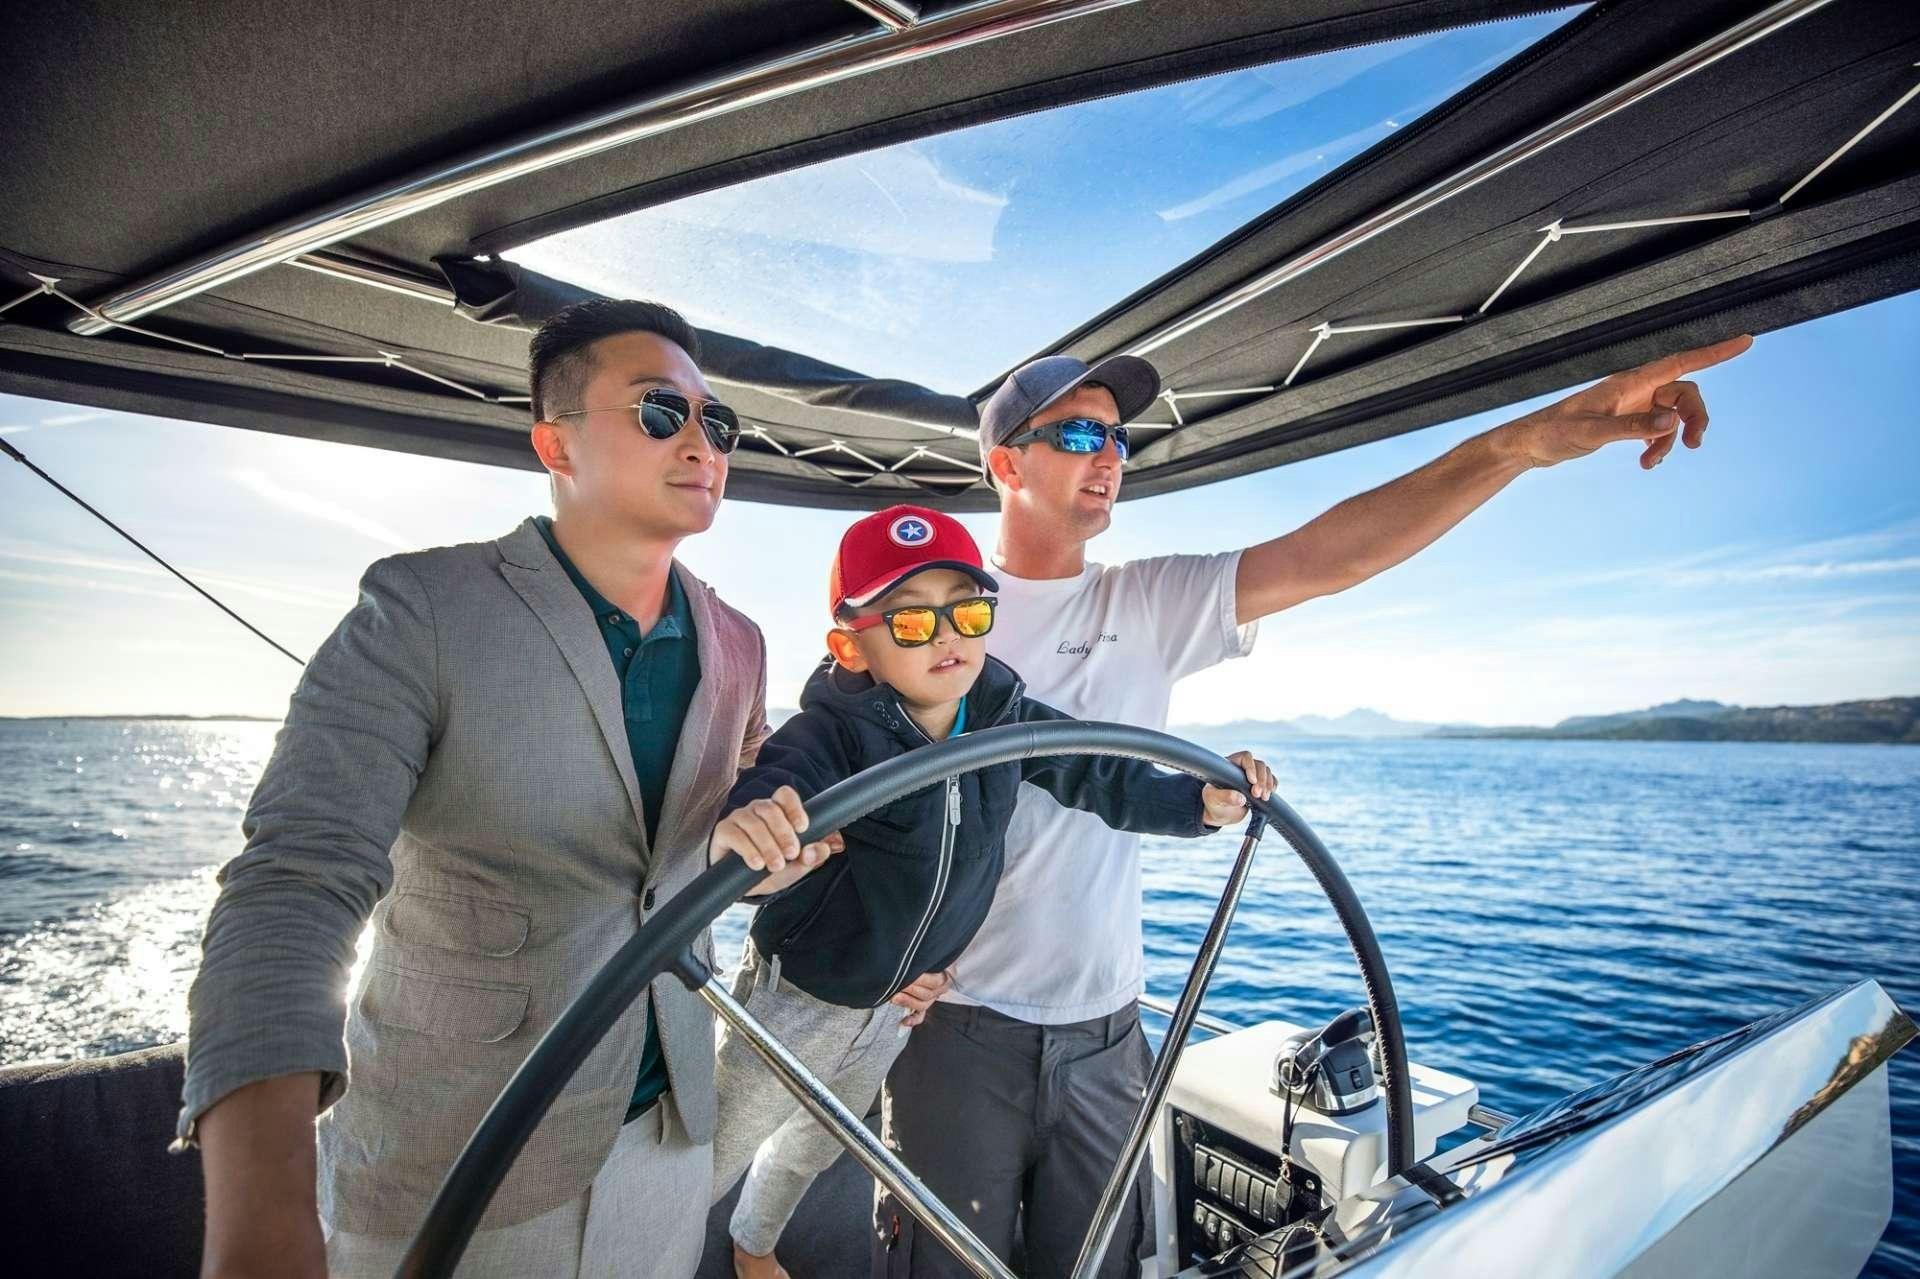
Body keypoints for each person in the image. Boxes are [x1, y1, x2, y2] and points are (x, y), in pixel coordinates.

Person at [877, 334, 1754, 1277]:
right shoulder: (929, 613)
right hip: (952, 1026)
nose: (1108, 456)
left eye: (1119, 440)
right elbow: (862, 803)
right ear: (1006, 462)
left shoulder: (1149, 599)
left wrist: (1520, 445)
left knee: (1093, 1265)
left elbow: (1330, 551)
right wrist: (879, 958)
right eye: (1080, 434)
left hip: (1108, 1035)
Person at [179, 299, 826, 1279]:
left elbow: (722, 835)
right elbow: (297, 878)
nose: (702, 442)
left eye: (716, 421)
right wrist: (263, 1221)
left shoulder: (740, 641)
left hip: (665, 1132)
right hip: (456, 1148)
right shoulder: (423, 608)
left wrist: (773, 859)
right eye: (662, 411)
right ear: (554, 445)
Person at [702, 504, 1276, 1279]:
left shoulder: (1008, 717)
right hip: (801, 991)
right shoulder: (828, 735)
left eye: (966, 612)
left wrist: (1193, 804)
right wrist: (755, 834)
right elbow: (769, 805)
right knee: (710, 1148)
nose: (947, 636)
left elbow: (1095, 770)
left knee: (816, 1140)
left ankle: (753, 1243)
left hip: (896, 1004)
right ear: (851, 645)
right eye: (910, 622)